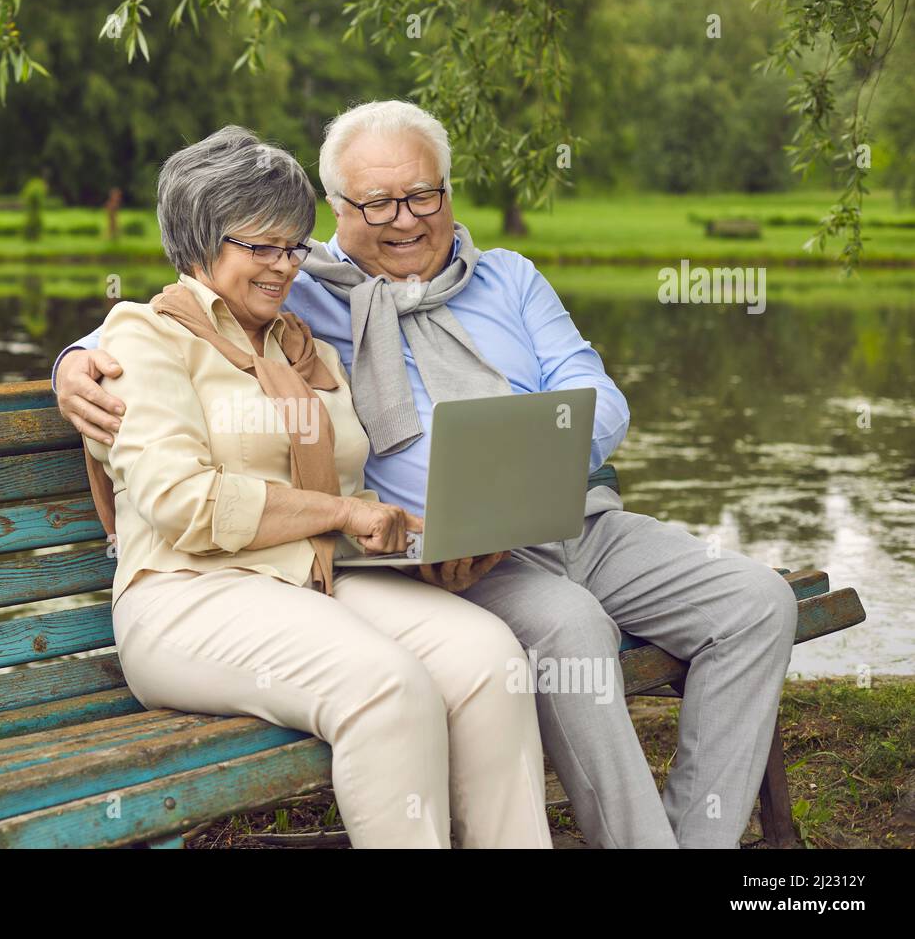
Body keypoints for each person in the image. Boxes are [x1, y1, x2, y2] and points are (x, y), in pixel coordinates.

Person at [55, 101, 800, 849]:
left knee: (758, 602)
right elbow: (167, 316)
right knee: (553, 633)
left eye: (422, 195)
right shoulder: (303, 294)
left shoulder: (432, 298)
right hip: (432, 557)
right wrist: (72, 362)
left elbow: (599, 397)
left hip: (568, 515)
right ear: (339, 216)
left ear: (447, 192)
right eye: (376, 201)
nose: (403, 219)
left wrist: (523, 455)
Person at [78, 124, 552, 848]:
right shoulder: (143, 340)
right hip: (186, 596)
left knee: (489, 656)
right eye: (259, 247)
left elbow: (354, 486)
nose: (285, 266)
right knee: (387, 684)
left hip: (313, 578)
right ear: (201, 241)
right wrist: (342, 511)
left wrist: (426, 541)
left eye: (294, 245)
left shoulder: (299, 346)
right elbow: (184, 502)